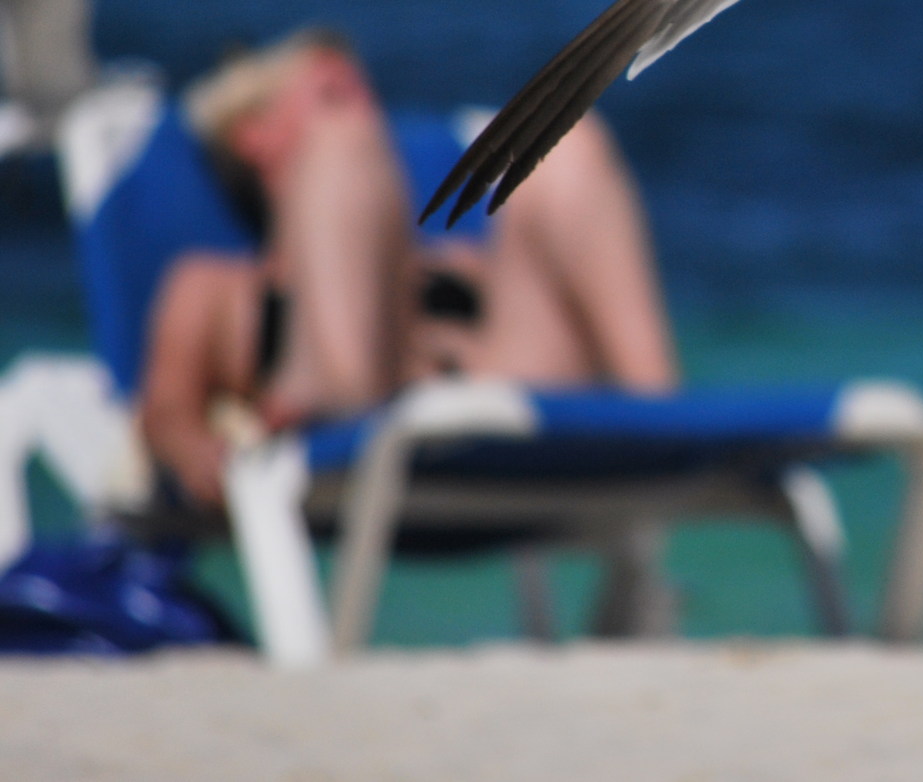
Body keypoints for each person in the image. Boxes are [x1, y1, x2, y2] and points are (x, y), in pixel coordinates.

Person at [138, 28, 678, 506]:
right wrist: (192, 451)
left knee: (566, 140)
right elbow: (165, 410)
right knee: (339, 144)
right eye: (331, 95)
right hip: (350, 433)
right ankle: (339, 393)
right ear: (253, 136)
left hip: (497, 407)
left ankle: (663, 418)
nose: (364, 109)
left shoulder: (447, 259)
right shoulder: (214, 285)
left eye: (364, 92)